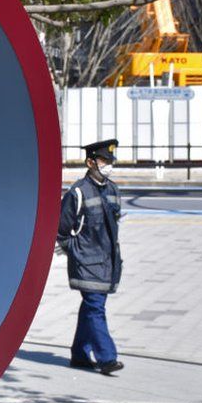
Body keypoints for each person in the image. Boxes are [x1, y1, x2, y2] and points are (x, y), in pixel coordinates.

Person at [57, 139, 125, 376]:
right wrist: (76, 250)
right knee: (96, 307)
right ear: (90, 162)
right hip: (86, 263)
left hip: (107, 263)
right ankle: (107, 358)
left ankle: (80, 354)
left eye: (110, 161)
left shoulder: (113, 190)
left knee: (91, 308)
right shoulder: (77, 192)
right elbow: (60, 230)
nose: (108, 166)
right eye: (104, 161)